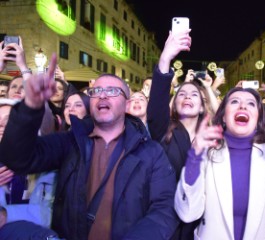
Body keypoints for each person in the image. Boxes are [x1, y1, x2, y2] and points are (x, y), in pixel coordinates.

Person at [0, 54, 178, 239]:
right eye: (96, 91)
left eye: (112, 91)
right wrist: (30, 107)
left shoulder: (151, 152)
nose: (102, 95)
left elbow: (164, 208)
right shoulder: (70, 142)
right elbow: (18, 158)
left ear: (126, 104)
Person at [174, 87, 265, 239]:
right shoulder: (206, 152)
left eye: (250, 104)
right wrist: (193, 158)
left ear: (258, 117)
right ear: (223, 116)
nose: (242, 106)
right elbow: (187, 213)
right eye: (235, 101)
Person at [147, 28, 200, 240]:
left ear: (203, 105)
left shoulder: (215, 137)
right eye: (182, 94)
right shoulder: (163, 130)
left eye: (194, 94)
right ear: (174, 104)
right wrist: (165, 59)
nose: (187, 96)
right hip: (169, 225)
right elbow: (157, 104)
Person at [0, 99, 58, 238]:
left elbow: (55, 215)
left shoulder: (49, 165)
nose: (1, 124)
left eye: (8, 120)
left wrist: (7, 214)